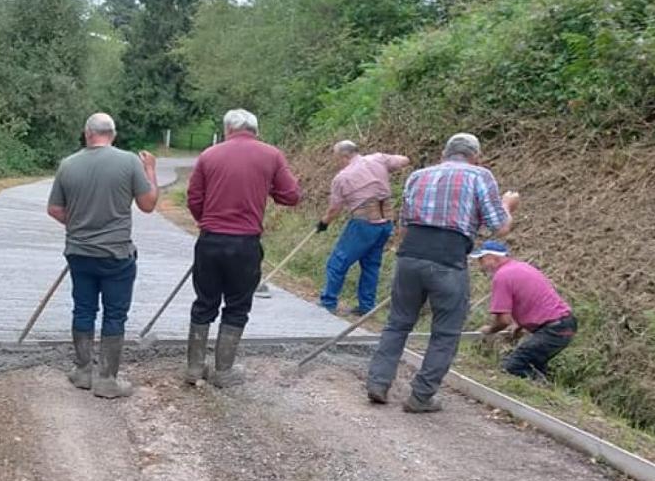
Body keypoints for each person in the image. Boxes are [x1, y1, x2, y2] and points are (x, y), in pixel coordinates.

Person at [366, 132, 519, 413]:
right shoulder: (479, 175)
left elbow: (404, 223)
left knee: (398, 323)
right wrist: (508, 206)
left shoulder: (418, 176)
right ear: (476, 157)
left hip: (410, 255)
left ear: (444, 154)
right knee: (446, 332)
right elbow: (500, 227)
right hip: (448, 258)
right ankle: (421, 396)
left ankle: (378, 382)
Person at [185, 108, 302, 387]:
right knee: (237, 306)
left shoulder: (209, 155)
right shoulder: (271, 155)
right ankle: (223, 372)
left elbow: (193, 198)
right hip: (245, 243)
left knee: (204, 303)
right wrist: (268, 185)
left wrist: (207, 222)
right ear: (256, 130)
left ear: (227, 130)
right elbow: (291, 196)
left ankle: (194, 367)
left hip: (210, 240)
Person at [47, 112, 159, 399]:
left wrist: (79, 224)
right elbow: (148, 204)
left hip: (79, 252)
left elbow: (55, 210)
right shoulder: (129, 161)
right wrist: (150, 170)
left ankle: (83, 371)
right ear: (113, 134)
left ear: (87, 134)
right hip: (116, 254)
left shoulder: (67, 165)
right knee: (115, 314)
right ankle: (108, 379)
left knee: (83, 309)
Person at [317, 140, 410, 315]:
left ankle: (328, 301)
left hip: (363, 223)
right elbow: (404, 160)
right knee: (371, 264)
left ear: (344, 156)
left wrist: (324, 223)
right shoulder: (378, 159)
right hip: (386, 223)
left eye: (336, 157)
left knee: (338, 261)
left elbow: (334, 209)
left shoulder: (342, 177)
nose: (336, 161)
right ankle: (366, 306)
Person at [472, 241, 577, 380]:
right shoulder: (521, 267)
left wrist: (489, 330)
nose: (480, 265)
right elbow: (532, 298)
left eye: (481, 259)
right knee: (532, 364)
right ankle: (542, 389)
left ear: (492, 257)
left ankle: (542, 390)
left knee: (512, 366)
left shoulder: (502, 276)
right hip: (563, 324)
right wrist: (520, 325)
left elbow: (504, 320)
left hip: (553, 330)